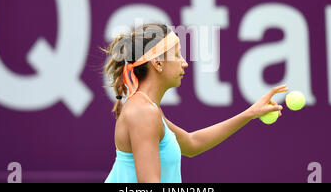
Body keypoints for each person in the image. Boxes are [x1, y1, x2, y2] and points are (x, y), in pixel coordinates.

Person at [101, 23, 287, 183]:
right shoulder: (144, 112)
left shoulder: (149, 108)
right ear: (158, 63)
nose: (184, 63)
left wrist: (251, 113)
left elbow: (192, 143)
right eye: (177, 54)